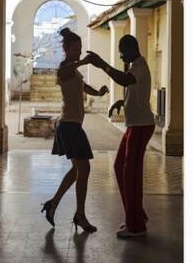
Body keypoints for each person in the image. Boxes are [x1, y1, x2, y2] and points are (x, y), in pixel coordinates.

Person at [86, 35, 155, 238]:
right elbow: (136, 92)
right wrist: (121, 102)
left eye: (122, 50)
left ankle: (136, 227)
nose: (120, 54)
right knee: (120, 167)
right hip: (135, 125)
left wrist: (101, 65)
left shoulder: (139, 66)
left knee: (131, 175)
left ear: (133, 48)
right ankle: (136, 215)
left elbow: (125, 80)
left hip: (141, 126)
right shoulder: (136, 65)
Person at [41, 27, 109, 233]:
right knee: (84, 169)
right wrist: (83, 62)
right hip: (69, 126)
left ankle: (53, 204)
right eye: (76, 50)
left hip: (73, 125)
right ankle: (80, 215)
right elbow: (63, 73)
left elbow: (81, 85)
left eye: (81, 50)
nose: (79, 54)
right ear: (67, 49)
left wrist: (97, 92)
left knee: (76, 170)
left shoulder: (74, 69)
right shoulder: (64, 67)